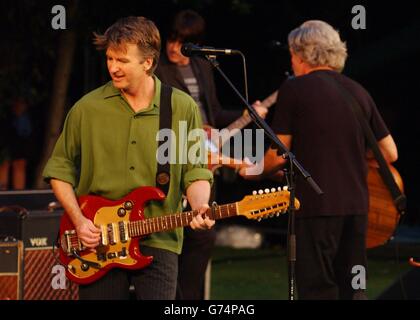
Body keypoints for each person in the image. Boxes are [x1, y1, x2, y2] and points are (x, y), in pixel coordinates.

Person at [42, 16, 215, 300]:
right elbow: (59, 169)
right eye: (110, 58)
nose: (113, 67)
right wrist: (79, 221)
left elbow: (195, 170)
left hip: (159, 237)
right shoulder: (87, 109)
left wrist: (199, 206)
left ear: (147, 62)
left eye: (122, 60)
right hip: (97, 242)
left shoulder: (181, 107)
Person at [240, 20, 398, 299]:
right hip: (358, 209)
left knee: (317, 290)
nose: (292, 61)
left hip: (316, 209)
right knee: (353, 289)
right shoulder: (358, 91)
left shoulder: (295, 89)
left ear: (302, 54)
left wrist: (250, 171)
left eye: (291, 54)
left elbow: (279, 155)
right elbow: (390, 153)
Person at [155, 9, 267, 300]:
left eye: (182, 41)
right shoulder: (158, 70)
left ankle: (188, 300)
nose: (173, 46)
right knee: (171, 232)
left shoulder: (203, 68)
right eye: (171, 38)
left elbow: (214, 113)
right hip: (173, 154)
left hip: (206, 158)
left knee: (202, 234)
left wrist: (245, 114)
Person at [0, 98, 33, 190]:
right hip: (4, 140)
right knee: (3, 164)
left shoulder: (24, 119)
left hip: (19, 142)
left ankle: (19, 197)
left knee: (19, 164)